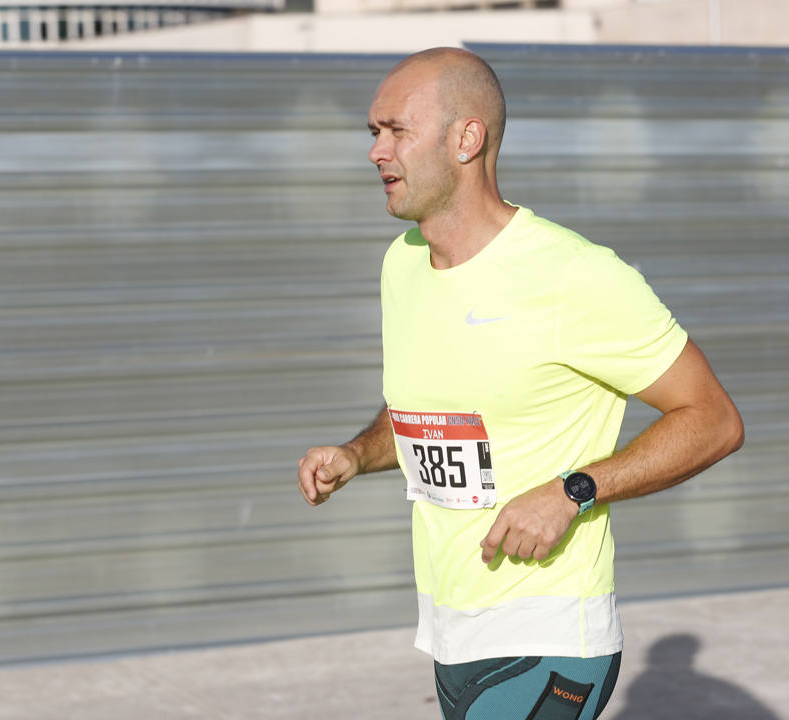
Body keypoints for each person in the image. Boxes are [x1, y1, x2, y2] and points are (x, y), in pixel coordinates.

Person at [296, 47, 744, 720]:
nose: (376, 152)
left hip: (550, 629)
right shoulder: (404, 264)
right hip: (451, 624)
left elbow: (712, 418)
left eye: (396, 130)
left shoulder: (574, 275)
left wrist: (575, 491)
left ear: (466, 138)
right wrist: (356, 454)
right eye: (373, 132)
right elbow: (422, 406)